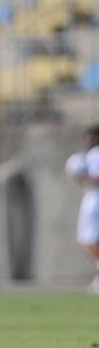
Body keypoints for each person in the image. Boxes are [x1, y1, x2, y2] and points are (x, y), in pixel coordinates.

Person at [66, 125, 99, 293]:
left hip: (95, 201)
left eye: (91, 136)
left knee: (88, 239)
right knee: (87, 240)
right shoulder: (89, 155)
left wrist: (81, 175)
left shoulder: (96, 154)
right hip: (91, 198)